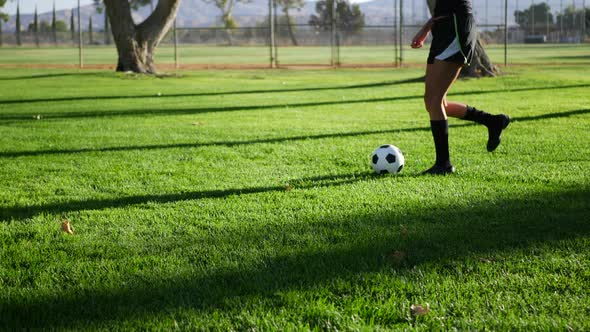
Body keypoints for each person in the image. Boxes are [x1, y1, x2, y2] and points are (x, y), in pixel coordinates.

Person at [411, 0, 510, 175]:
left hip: (456, 27)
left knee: (435, 102)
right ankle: (493, 121)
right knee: (432, 102)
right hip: (442, 29)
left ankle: (444, 165)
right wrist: (426, 29)